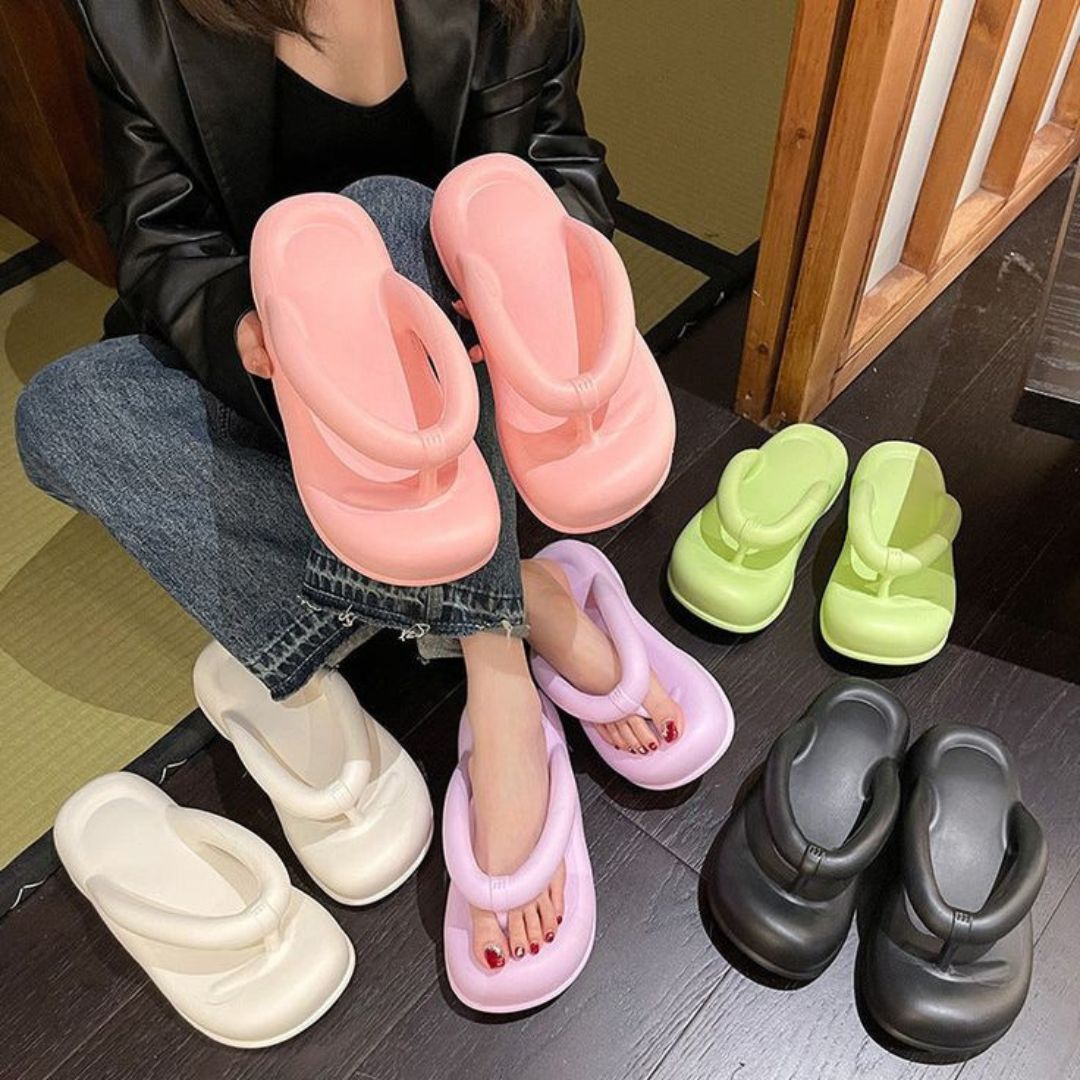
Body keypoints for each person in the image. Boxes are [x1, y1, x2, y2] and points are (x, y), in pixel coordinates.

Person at [15, 0, 683, 972]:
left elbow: (558, 163)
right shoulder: (133, 14)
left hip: (468, 380)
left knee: (388, 209)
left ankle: (493, 669)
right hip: (298, 380)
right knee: (62, 417)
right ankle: (510, 594)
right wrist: (243, 325)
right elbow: (157, 241)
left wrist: (518, 270)